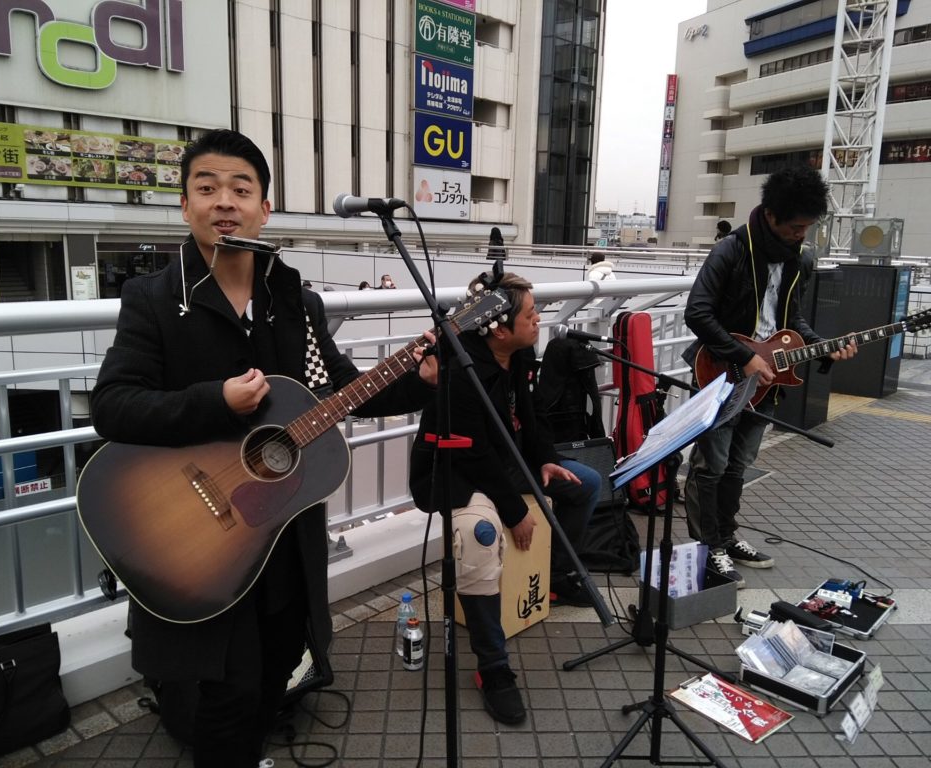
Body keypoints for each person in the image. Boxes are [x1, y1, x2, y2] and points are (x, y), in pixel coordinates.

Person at [90, 129, 437, 767]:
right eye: (207, 188)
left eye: (241, 189)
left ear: (264, 208)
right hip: (198, 540)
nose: (225, 201)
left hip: (280, 535)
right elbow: (111, 406)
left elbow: (337, 392)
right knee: (226, 696)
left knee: (278, 669)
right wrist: (214, 402)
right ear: (185, 205)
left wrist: (420, 379)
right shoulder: (156, 299)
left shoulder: (293, 302)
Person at [409, 272, 601, 726]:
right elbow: (472, 453)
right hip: (459, 471)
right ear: (497, 328)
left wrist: (546, 459)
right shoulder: (460, 369)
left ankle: (556, 576)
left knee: (588, 483)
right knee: (480, 535)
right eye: (531, 315)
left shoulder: (519, 353)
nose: (538, 321)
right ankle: (493, 667)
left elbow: (531, 414)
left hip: (507, 460)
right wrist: (515, 512)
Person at [682, 166, 856, 588]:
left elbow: (791, 320)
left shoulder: (800, 259)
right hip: (721, 372)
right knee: (711, 465)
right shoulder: (731, 250)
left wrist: (823, 346)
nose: (802, 235)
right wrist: (744, 357)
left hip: (768, 379)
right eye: (796, 227)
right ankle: (708, 547)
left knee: (739, 463)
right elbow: (697, 312)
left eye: (807, 227)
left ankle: (727, 536)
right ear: (772, 215)